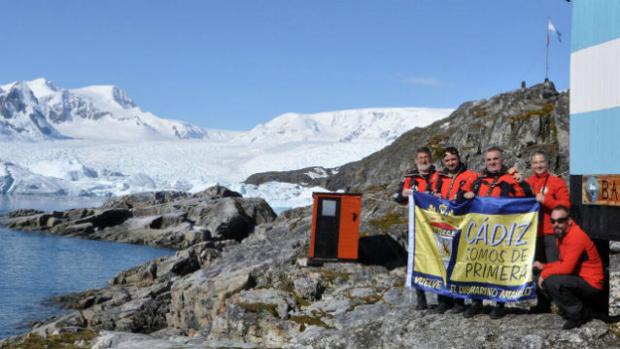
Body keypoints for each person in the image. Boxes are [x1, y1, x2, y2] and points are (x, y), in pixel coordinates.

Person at [462, 146, 533, 319]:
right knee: (476, 266)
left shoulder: (511, 179)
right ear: (485, 161)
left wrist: (522, 182)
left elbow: (527, 198)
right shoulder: (479, 180)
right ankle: (476, 302)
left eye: (495, 159)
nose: (492, 162)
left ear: (501, 160)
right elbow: (461, 195)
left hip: (502, 230)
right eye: (489, 160)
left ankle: (499, 304)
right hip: (480, 230)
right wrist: (466, 194)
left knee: (499, 266)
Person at [533, 206, 604, 330]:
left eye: (560, 220)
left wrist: (545, 274)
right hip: (579, 280)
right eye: (553, 221)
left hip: (592, 284)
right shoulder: (562, 235)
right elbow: (562, 262)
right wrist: (544, 267)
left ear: (569, 221)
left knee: (551, 281)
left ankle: (578, 315)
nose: (556, 224)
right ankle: (574, 308)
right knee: (540, 276)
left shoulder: (576, 236)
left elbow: (567, 268)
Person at [432, 146, 478, 314]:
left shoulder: (471, 175)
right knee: (442, 261)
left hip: (461, 225)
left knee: (458, 262)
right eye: (447, 160)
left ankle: (459, 301)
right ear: (444, 162)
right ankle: (444, 300)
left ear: (458, 158)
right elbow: (430, 193)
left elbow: (478, 190)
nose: (451, 163)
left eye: (453, 159)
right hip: (441, 225)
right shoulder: (439, 177)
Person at [525, 151, 570, 313]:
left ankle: (562, 305)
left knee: (554, 269)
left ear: (547, 163)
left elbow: (565, 206)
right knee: (537, 270)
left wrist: (546, 200)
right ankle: (542, 303)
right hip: (533, 235)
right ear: (531, 165)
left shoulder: (557, 182)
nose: (538, 165)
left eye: (541, 162)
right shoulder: (528, 182)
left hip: (552, 234)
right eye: (535, 163)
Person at [394, 147, 438, 310]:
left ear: (430, 159)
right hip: (417, 227)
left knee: (439, 260)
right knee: (417, 261)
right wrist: (404, 193)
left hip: (436, 226)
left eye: (426, 157)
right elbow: (397, 197)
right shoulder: (410, 178)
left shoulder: (439, 176)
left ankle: (443, 299)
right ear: (416, 160)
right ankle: (421, 299)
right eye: (420, 158)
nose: (423, 160)